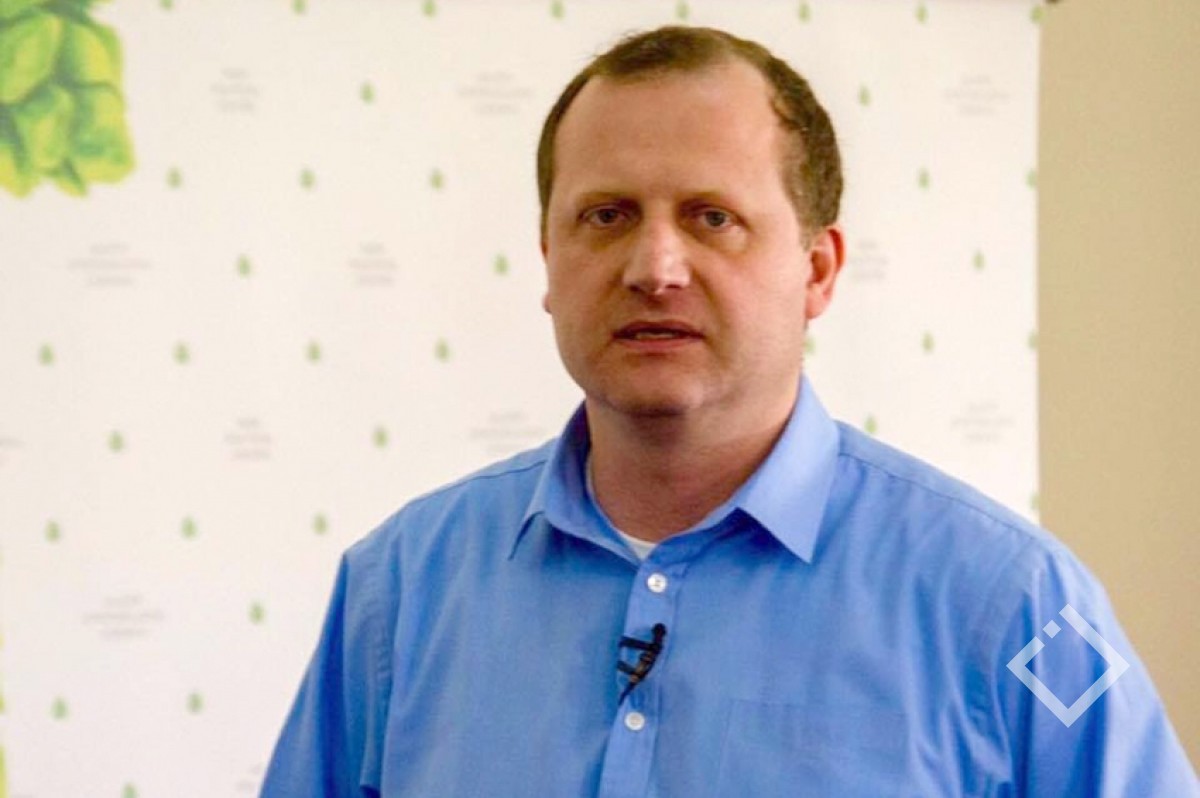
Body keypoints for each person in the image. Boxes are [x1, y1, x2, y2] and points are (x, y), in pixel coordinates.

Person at [260, 25, 1197, 797]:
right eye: (607, 215)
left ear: (817, 270)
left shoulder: (1010, 602)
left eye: (713, 217)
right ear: (547, 260)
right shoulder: (400, 591)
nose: (653, 268)